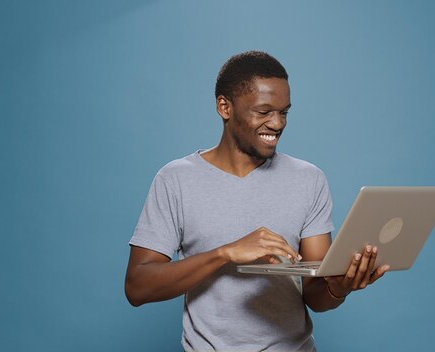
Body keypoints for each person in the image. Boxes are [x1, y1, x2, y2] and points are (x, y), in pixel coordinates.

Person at [125, 51, 390, 351]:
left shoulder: (309, 179)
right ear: (225, 107)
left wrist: (338, 288)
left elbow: (316, 294)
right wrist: (225, 254)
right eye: (263, 112)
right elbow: (138, 286)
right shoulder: (175, 179)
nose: (277, 124)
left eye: (284, 112)